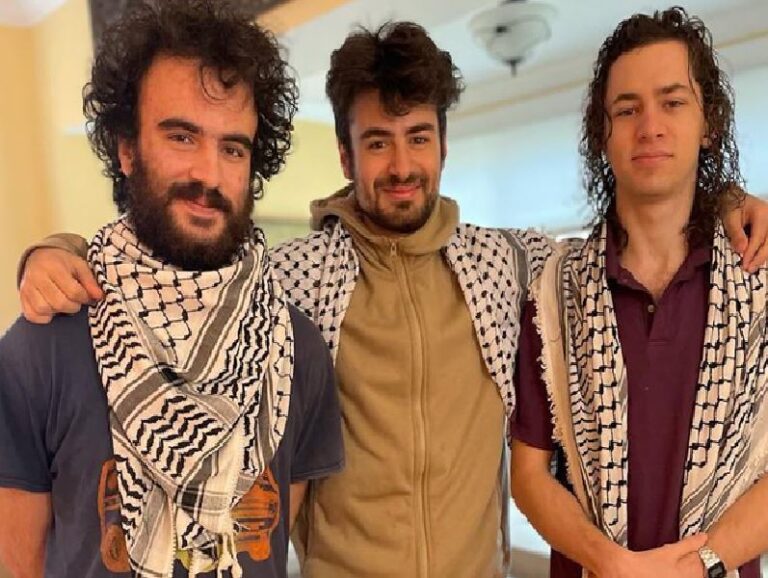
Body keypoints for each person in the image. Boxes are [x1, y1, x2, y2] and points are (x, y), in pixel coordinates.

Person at [13, 15, 768, 578]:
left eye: (418, 136)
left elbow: (630, 237)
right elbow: (187, 267)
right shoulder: (291, 281)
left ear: (443, 144)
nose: (401, 164)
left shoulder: (510, 265)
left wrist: (726, 198)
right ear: (346, 155)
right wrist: (58, 250)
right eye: (377, 141)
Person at [0, 2, 342, 578]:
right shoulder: (42, 346)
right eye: (182, 136)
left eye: (233, 147)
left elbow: (274, 542)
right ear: (126, 148)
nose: (209, 173)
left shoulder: (297, 349)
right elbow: (18, 562)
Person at [510, 7, 768, 578]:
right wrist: (613, 564)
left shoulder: (759, 282)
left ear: (709, 123)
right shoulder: (553, 294)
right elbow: (528, 476)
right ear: (602, 136)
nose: (649, 126)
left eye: (672, 103)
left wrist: (698, 567)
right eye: (627, 109)